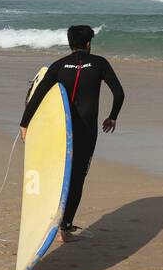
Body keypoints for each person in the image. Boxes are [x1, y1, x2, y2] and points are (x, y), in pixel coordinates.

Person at [20, 25, 124, 241]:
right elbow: (119, 93)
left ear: (70, 43)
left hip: (59, 131)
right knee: (77, 178)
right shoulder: (99, 63)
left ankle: (46, 214)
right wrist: (112, 116)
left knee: (57, 173)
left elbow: (37, 95)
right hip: (86, 132)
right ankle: (64, 228)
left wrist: (25, 124)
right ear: (88, 43)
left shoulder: (58, 66)